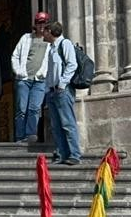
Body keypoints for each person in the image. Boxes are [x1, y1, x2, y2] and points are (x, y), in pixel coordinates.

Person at [45, 20, 82, 166]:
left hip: (62, 91)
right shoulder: (51, 48)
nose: (43, 34)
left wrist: (62, 83)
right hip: (52, 91)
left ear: (50, 32)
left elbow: (72, 64)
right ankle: (62, 154)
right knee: (56, 125)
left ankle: (74, 154)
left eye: (45, 31)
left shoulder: (64, 44)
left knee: (67, 123)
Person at [10, 12, 51, 144]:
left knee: (34, 108)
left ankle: (30, 135)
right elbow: (15, 56)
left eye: (44, 23)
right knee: (21, 109)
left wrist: (45, 73)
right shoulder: (26, 38)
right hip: (24, 79)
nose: (42, 26)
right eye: (39, 23)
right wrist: (18, 71)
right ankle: (20, 137)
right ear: (35, 24)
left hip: (40, 80)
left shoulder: (50, 41)